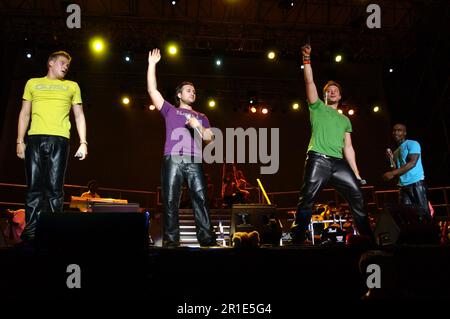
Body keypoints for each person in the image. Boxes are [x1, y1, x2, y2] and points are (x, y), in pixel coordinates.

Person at [290, 44, 373, 244]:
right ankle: (297, 238)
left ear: (340, 95)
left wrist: (357, 173)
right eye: (329, 90)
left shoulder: (345, 120)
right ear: (325, 95)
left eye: (335, 90)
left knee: (358, 197)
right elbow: (309, 81)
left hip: (339, 164)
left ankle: (368, 238)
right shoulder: (317, 107)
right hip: (318, 159)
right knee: (307, 199)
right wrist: (306, 59)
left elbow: (348, 148)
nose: (332, 92)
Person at [147, 48, 216, 247]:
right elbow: (153, 91)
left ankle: (207, 239)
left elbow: (210, 139)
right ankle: (171, 240)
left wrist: (198, 126)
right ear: (179, 94)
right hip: (173, 158)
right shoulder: (170, 110)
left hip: (194, 160)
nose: (192, 93)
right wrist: (152, 65)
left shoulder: (202, 116)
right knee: (170, 200)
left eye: (194, 91)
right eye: (188, 90)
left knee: (201, 199)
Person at [16, 50, 87, 242]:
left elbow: (79, 115)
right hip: (34, 139)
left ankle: (55, 229)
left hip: (60, 139)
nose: (65, 67)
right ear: (51, 63)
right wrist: (20, 141)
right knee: (33, 187)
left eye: (68, 65)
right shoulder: (32, 83)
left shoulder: (72, 86)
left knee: (55, 188)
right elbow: (24, 114)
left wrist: (83, 142)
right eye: (62, 63)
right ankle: (30, 231)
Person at [382, 123, 431, 220]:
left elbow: (412, 163)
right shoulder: (396, 151)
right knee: (407, 215)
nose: (396, 132)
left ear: (405, 133)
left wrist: (392, 173)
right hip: (403, 186)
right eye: (394, 130)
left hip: (416, 183)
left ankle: (431, 234)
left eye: (399, 130)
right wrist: (391, 159)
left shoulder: (412, 143)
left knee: (423, 213)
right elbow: (396, 169)